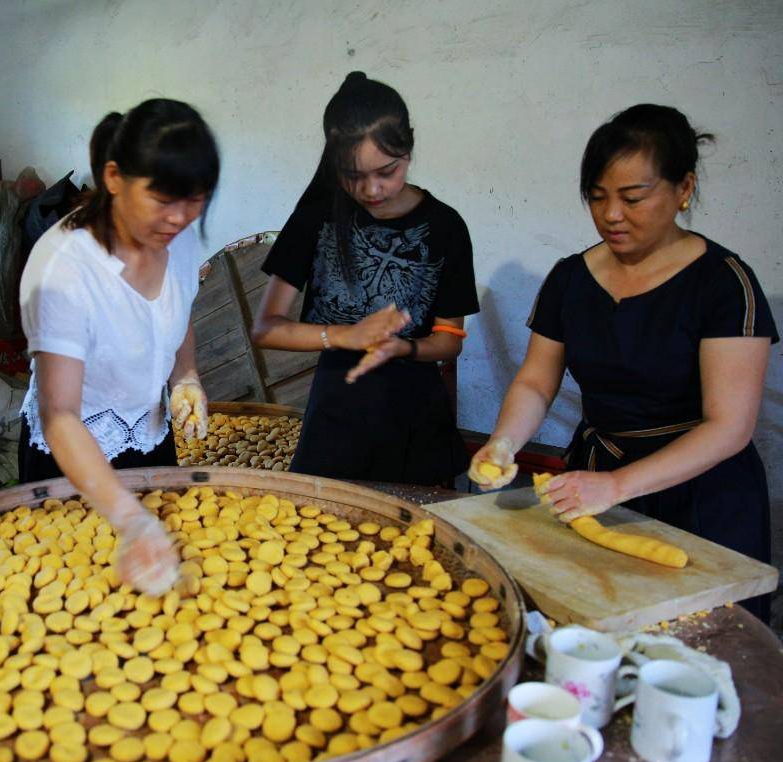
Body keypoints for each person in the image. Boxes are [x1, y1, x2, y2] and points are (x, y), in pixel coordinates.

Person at [469, 104, 776, 619]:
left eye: (633, 197)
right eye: (597, 197)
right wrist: (504, 442)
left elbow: (730, 427)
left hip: (698, 489)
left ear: (683, 189)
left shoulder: (723, 283)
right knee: (590, 624)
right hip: (594, 475)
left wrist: (617, 487)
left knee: (701, 642)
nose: (611, 214)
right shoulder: (570, 278)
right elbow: (536, 383)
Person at [17, 99, 220, 595]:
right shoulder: (63, 270)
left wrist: (186, 377)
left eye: (194, 200)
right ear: (113, 177)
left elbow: (177, 313)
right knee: (77, 597)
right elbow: (60, 415)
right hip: (73, 457)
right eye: (162, 199)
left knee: (161, 598)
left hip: (151, 439)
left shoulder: (180, 238)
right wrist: (130, 519)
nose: (178, 218)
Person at [252, 72, 479, 485]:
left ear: (408, 147)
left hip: (415, 416)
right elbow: (266, 329)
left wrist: (401, 347)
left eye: (386, 171)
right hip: (337, 415)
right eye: (353, 175)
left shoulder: (446, 227)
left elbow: (449, 340)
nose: (371, 189)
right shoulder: (316, 216)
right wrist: (344, 336)